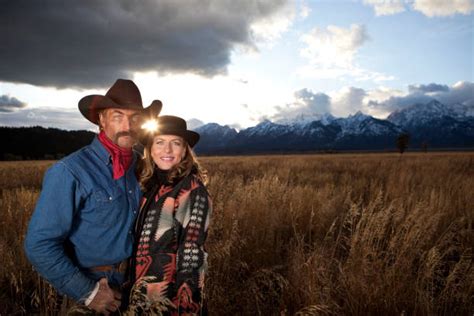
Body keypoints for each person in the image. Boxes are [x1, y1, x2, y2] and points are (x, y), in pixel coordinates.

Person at [24, 79, 162, 315]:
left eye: (135, 117)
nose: (127, 125)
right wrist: (88, 293)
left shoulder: (141, 166)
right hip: (95, 291)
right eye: (118, 115)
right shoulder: (70, 171)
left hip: (135, 287)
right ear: (101, 119)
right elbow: (39, 244)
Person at [128, 115, 212, 315]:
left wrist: (187, 306)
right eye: (160, 142)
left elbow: (192, 252)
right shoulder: (150, 185)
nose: (167, 150)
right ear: (150, 149)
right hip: (140, 295)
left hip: (167, 303)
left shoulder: (191, 190)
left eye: (175, 143)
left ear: (184, 151)